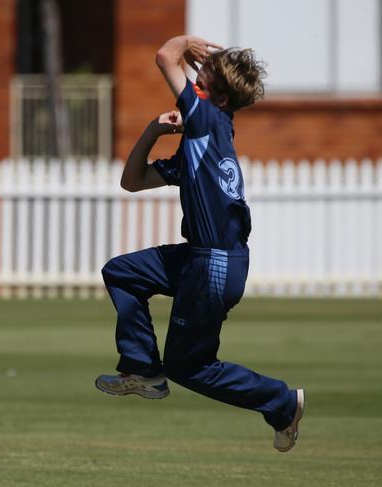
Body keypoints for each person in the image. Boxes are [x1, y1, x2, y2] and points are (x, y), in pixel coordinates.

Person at [95, 35, 304, 452]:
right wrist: (154, 130)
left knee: (189, 367)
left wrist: (185, 44)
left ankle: (281, 402)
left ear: (218, 99)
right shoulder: (200, 142)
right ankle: (142, 369)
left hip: (214, 263)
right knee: (121, 272)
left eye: (201, 80)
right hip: (202, 257)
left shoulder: (207, 118)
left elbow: (164, 55)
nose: (193, 82)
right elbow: (132, 182)